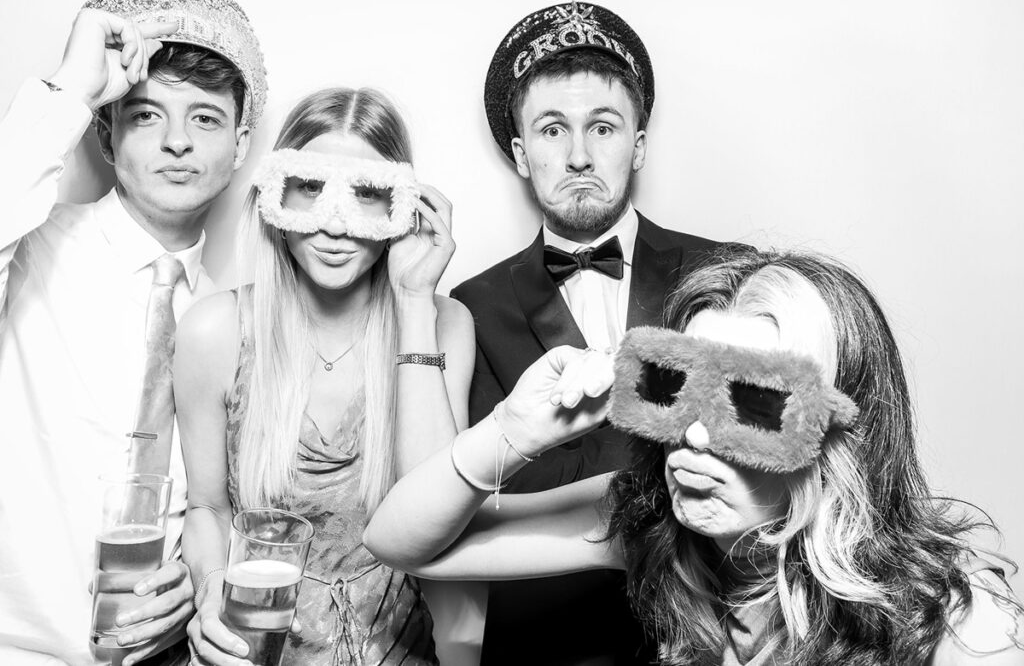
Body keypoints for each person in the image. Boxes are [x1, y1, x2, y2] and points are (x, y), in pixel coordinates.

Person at [366, 245, 1024, 665]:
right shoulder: (654, 528)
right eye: (682, 393)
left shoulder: (958, 625)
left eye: (755, 405)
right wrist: (512, 428)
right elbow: (403, 542)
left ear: (838, 438)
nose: (697, 439)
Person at [449, 0, 722, 665]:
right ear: (520, 152)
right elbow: (450, 508)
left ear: (639, 143)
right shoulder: (467, 307)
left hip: (710, 637)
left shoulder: (728, 274)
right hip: (540, 645)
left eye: (602, 127)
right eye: (551, 130)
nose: (577, 155)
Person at [0, 0, 266, 663]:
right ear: (105, 132)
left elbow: (222, 504)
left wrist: (193, 583)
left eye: (205, 119)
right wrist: (69, 87)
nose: (177, 141)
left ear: (240, 146)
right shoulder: (27, 247)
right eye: (146, 115)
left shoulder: (237, 323)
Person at [175, 86, 474, 665]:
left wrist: (415, 303)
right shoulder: (216, 330)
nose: (335, 227)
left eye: (366, 194)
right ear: (274, 196)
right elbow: (207, 507)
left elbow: (432, 510)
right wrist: (212, 588)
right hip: (254, 647)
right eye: (311, 189)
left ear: (403, 205)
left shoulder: (445, 323)